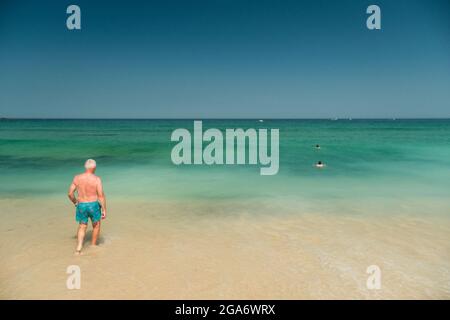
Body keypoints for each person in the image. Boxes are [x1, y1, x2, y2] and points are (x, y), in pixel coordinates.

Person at [68, 159, 107, 254]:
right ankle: (93, 246)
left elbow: (70, 194)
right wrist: (104, 209)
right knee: (96, 225)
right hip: (93, 205)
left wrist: (75, 202)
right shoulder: (97, 179)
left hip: (81, 204)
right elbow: (101, 195)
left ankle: (79, 248)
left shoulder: (77, 178)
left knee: (82, 226)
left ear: (85, 167)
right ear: (94, 168)